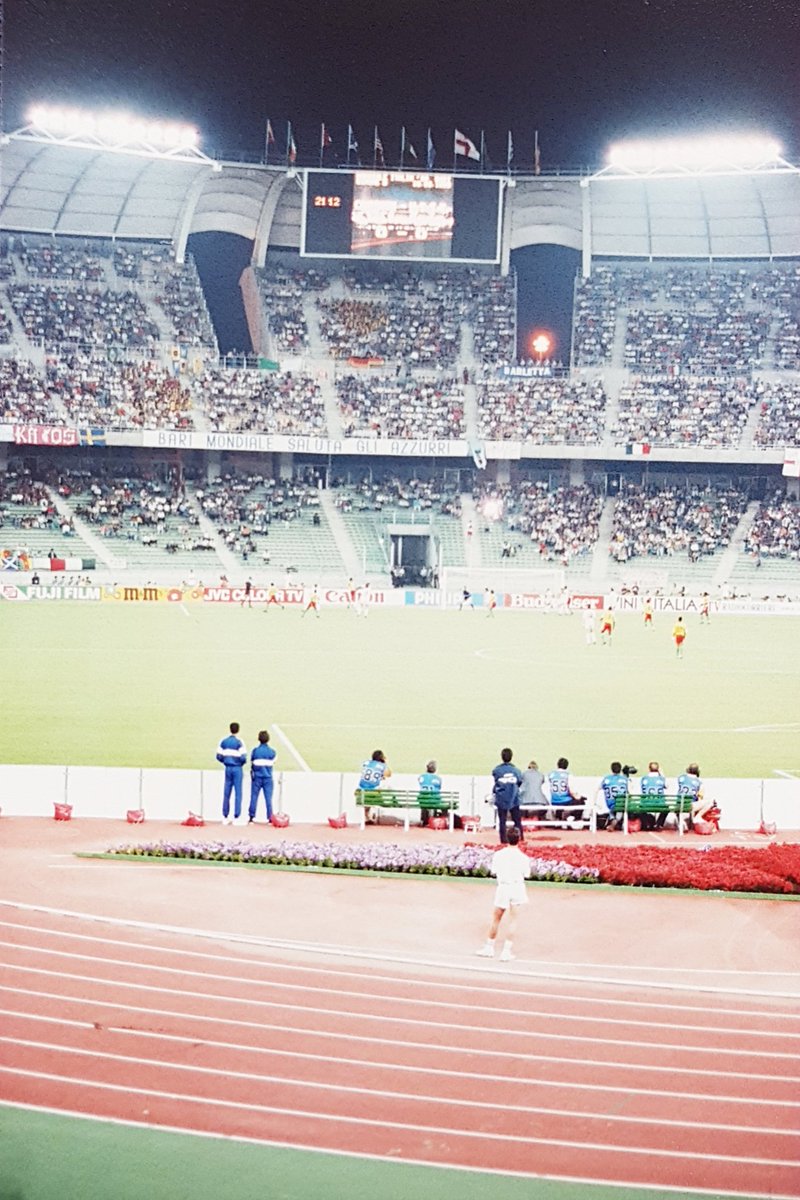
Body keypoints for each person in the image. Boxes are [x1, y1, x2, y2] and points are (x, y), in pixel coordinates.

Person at [476, 827, 531, 962]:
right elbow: (527, 874)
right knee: (513, 920)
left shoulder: (499, 855)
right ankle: (506, 951)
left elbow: (494, 871)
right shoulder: (523, 858)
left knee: (496, 919)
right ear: (518, 839)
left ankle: (489, 947)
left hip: (504, 888)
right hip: (516, 888)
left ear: (507, 838)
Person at [216, 722, 247, 825]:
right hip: (237, 768)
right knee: (238, 793)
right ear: (238, 730)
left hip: (228, 767)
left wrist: (225, 761)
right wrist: (239, 763)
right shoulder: (239, 742)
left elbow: (219, 756)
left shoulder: (224, 741)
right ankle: (236, 817)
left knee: (227, 792)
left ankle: (225, 816)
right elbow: (243, 757)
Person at [491, 748, 523, 843]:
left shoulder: (497, 770)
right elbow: (519, 782)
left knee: (502, 820)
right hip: (514, 797)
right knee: (517, 820)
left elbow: (496, 781)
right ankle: (520, 838)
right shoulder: (516, 770)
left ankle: (503, 840)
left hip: (502, 797)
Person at [547, 757, 585, 825]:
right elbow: (571, 791)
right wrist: (579, 797)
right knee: (581, 802)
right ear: (567, 766)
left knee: (560, 798)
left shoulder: (551, 774)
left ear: (557, 765)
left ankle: (559, 817)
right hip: (565, 801)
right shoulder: (568, 775)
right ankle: (573, 819)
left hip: (554, 800)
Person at [249, 729, 276, 823]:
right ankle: (269, 817)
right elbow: (272, 763)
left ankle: (251, 817)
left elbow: (252, 763)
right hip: (268, 777)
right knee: (268, 798)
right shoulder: (272, 752)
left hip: (257, 777)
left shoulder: (255, 751)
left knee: (254, 796)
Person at [358, 749, 391, 824]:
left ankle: (366, 817)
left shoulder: (366, 763)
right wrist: (384, 763)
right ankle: (375, 811)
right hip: (373, 790)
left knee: (367, 798)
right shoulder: (382, 765)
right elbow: (389, 774)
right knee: (386, 784)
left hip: (362, 789)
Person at [596, 761, 629, 831]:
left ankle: (613, 822)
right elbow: (630, 791)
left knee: (614, 807)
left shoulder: (606, 779)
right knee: (621, 805)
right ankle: (614, 823)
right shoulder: (625, 779)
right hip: (621, 804)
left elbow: (597, 789)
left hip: (610, 803)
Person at [677, 762, 705, 829]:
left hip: (679, 803)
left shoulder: (681, 778)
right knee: (710, 802)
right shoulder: (699, 782)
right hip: (690, 805)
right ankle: (697, 817)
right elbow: (700, 796)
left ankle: (681, 822)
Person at [641, 760, 667, 830]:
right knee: (666, 808)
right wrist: (662, 774)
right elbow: (666, 786)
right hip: (659, 804)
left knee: (640, 808)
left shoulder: (644, 779)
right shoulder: (661, 779)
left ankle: (646, 824)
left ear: (649, 769)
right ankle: (659, 824)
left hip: (646, 803)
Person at [418, 758, 443, 826]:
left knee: (424, 802)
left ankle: (423, 820)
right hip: (434, 800)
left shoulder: (421, 777)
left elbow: (420, 783)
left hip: (423, 799)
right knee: (434, 799)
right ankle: (433, 820)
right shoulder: (437, 778)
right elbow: (439, 787)